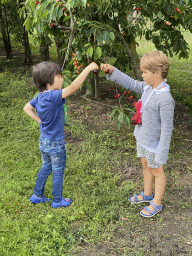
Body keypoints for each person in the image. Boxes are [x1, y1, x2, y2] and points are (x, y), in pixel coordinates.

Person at [100, 51, 175, 217]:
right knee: (145, 165)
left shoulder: (165, 99)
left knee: (157, 171)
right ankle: (147, 193)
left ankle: (157, 202)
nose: (142, 75)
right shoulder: (148, 87)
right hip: (143, 139)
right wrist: (113, 71)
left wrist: (162, 152)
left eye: (145, 72)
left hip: (154, 145)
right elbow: (130, 82)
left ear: (157, 73)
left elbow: (167, 128)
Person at [23, 61, 98, 208]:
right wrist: (88, 68)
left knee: (46, 166)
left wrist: (41, 122)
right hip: (56, 143)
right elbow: (74, 87)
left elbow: (27, 108)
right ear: (48, 81)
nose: (62, 79)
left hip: (44, 141)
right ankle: (57, 200)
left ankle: (37, 195)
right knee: (58, 171)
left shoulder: (40, 97)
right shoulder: (53, 96)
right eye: (59, 76)